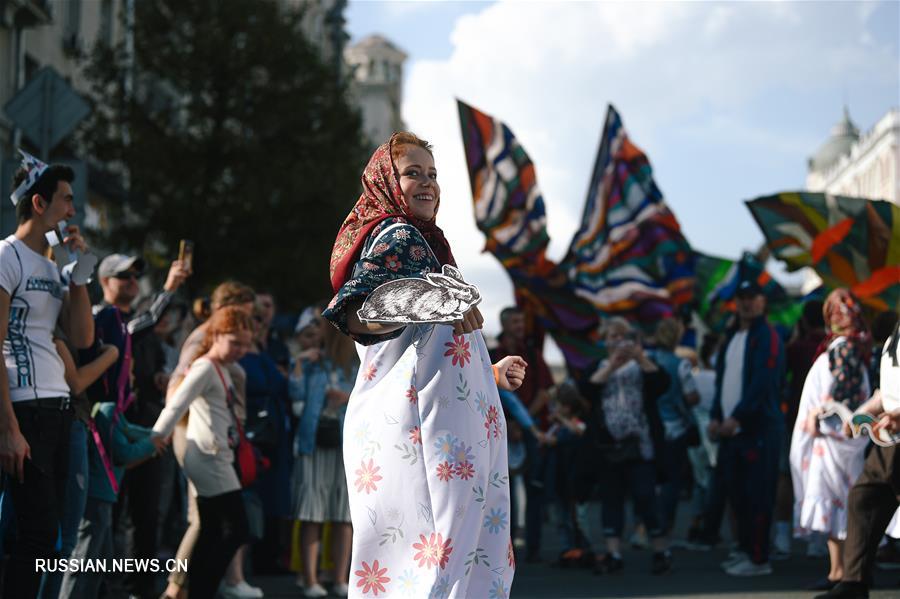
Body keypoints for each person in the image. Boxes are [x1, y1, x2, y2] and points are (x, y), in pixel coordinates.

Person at [323, 132, 527, 598]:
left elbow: (425, 347)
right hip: (418, 435)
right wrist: (436, 301)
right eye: (412, 172)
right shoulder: (395, 235)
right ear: (386, 183)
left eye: (433, 173)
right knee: (425, 567)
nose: (428, 183)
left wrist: (488, 373)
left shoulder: (428, 244)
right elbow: (359, 312)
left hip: (445, 428)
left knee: (453, 561)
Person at [0, 154, 94, 598]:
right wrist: (9, 428)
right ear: (39, 203)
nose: (73, 212)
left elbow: (82, 336)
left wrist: (81, 271)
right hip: (23, 409)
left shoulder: (55, 266)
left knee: (51, 538)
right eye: (66, 201)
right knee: (35, 537)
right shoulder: (6, 255)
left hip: (59, 409)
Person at [86, 252, 189, 599]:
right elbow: (136, 328)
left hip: (143, 427)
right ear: (103, 282)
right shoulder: (100, 319)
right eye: (123, 276)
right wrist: (169, 289)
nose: (131, 282)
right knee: (105, 517)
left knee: (146, 515)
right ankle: (99, 587)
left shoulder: (146, 332)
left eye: (134, 277)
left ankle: (138, 589)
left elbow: (144, 355)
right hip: (107, 428)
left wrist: (159, 378)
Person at [161, 282, 256, 599]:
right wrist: (159, 436)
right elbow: (176, 396)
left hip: (215, 447)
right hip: (201, 446)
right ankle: (180, 587)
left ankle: (194, 586)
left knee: (213, 525)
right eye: (235, 341)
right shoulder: (204, 353)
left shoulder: (224, 359)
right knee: (215, 524)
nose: (241, 348)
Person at [790, 290, 872, 591]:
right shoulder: (852, 348)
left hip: (834, 442)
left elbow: (843, 400)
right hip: (838, 441)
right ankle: (840, 572)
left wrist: (819, 415)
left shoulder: (842, 351)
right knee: (842, 506)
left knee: (839, 505)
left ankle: (842, 573)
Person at [815, 319, 900, 599]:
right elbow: (888, 390)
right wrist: (862, 413)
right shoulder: (896, 332)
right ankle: (854, 583)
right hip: (890, 438)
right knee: (865, 497)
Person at [707, 279, 785, 577]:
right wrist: (716, 415)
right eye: (742, 297)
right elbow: (721, 382)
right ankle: (745, 550)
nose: (746, 303)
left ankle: (759, 558)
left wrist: (737, 417)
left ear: (763, 302)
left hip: (758, 429)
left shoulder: (768, 335)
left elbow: (762, 384)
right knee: (738, 497)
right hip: (732, 431)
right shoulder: (731, 336)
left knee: (759, 496)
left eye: (752, 297)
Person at [58, 394, 165, 598]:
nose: (133, 379)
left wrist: (155, 436)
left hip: (105, 497)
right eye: (129, 372)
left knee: (99, 564)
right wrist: (152, 445)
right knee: (83, 563)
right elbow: (123, 452)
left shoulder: (115, 412)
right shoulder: (108, 409)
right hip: (97, 497)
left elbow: (132, 431)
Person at [587, 317, 672, 575]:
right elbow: (587, 390)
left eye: (623, 337)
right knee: (611, 500)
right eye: (613, 336)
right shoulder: (598, 366)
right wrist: (612, 365)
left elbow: (662, 383)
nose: (618, 342)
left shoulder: (643, 367)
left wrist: (640, 357)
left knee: (646, 498)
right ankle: (613, 553)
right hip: (609, 447)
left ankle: (660, 551)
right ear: (605, 340)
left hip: (640, 444)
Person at [291, 314, 358, 597]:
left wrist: (347, 399)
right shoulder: (311, 363)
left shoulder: (357, 364)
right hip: (313, 442)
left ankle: (341, 579)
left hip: (347, 443)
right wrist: (296, 364)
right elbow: (294, 401)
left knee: (344, 515)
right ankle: (310, 580)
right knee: (312, 513)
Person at [491, 306, 554, 562]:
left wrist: (523, 420)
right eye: (515, 321)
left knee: (534, 486)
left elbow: (545, 391)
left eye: (522, 321)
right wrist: (511, 422)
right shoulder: (493, 354)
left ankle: (534, 546)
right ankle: (507, 548)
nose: (519, 326)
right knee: (503, 489)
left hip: (529, 429)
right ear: (504, 324)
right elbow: (491, 393)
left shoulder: (533, 354)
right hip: (502, 428)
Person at [774, 299, 827, 560]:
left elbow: (780, 379)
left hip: (795, 418)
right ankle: (817, 539)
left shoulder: (795, 348)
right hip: (828, 423)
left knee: (786, 476)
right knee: (821, 478)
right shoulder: (830, 348)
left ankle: (783, 535)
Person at [648, 318, 700, 535]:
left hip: (649, 425)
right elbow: (691, 397)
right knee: (671, 479)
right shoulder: (681, 364)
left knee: (648, 478)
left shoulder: (647, 360)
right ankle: (663, 524)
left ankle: (644, 525)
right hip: (673, 427)